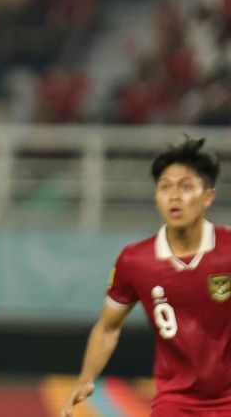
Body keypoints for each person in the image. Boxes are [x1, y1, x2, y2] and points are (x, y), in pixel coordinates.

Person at [60, 137, 230, 417]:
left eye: (186, 187)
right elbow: (108, 327)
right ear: (156, 197)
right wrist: (86, 378)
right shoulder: (136, 261)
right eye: (165, 187)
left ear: (208, 196)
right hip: (175, 401)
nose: (174, 196)